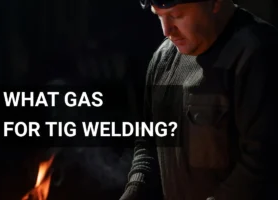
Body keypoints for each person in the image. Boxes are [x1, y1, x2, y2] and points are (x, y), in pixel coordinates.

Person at [119, 0, 278, 200]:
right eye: (159, 16)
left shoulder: (258, 53)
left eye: (176, 16)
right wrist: (135, 189)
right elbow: (148, 144)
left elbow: (263, 163)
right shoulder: (163, 59)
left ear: (215, 3)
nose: (166, 30)